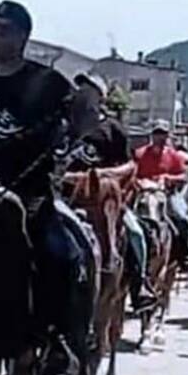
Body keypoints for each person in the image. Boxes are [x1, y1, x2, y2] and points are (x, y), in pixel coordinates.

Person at [0, 0, 99, 375]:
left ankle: (57, 340)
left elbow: (80, 121)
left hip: (30, 196)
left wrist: (82, 114)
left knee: (63, 255)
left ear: (20, 36)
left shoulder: (47, 84)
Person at [67, 72, 158, 312]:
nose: (82, 94)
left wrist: (106, 176)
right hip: (68, 195)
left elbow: (129, 165)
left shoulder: (112, 128)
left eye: (88, 90)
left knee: (136, 232)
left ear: (100, 98)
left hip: (105, 197)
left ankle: (140, 286)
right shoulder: (64, 125)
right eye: (80, 89)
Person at [134, 119, 188, 266]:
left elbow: (183, 176)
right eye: (157, 133)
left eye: (163, 134)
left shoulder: (174, 156)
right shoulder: (140, 154)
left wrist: (167, 178)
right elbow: (132, 173)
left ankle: (184, 255)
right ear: (152, 135)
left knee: (182, 218)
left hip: (167, 193)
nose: (160, 137)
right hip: (143, 192)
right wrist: (140, 182)